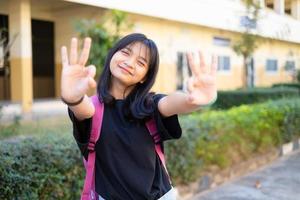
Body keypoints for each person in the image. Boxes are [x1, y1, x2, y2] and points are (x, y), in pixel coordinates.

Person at [60, 33, 217, 200]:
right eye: (126, 53)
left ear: (145, 77)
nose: (130, 63)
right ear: (113, 54)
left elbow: (171, 102)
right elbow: (82, 108)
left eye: (141, 62)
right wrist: (72, 97)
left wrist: (195, 100)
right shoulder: (93, 109)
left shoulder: (150, 106)